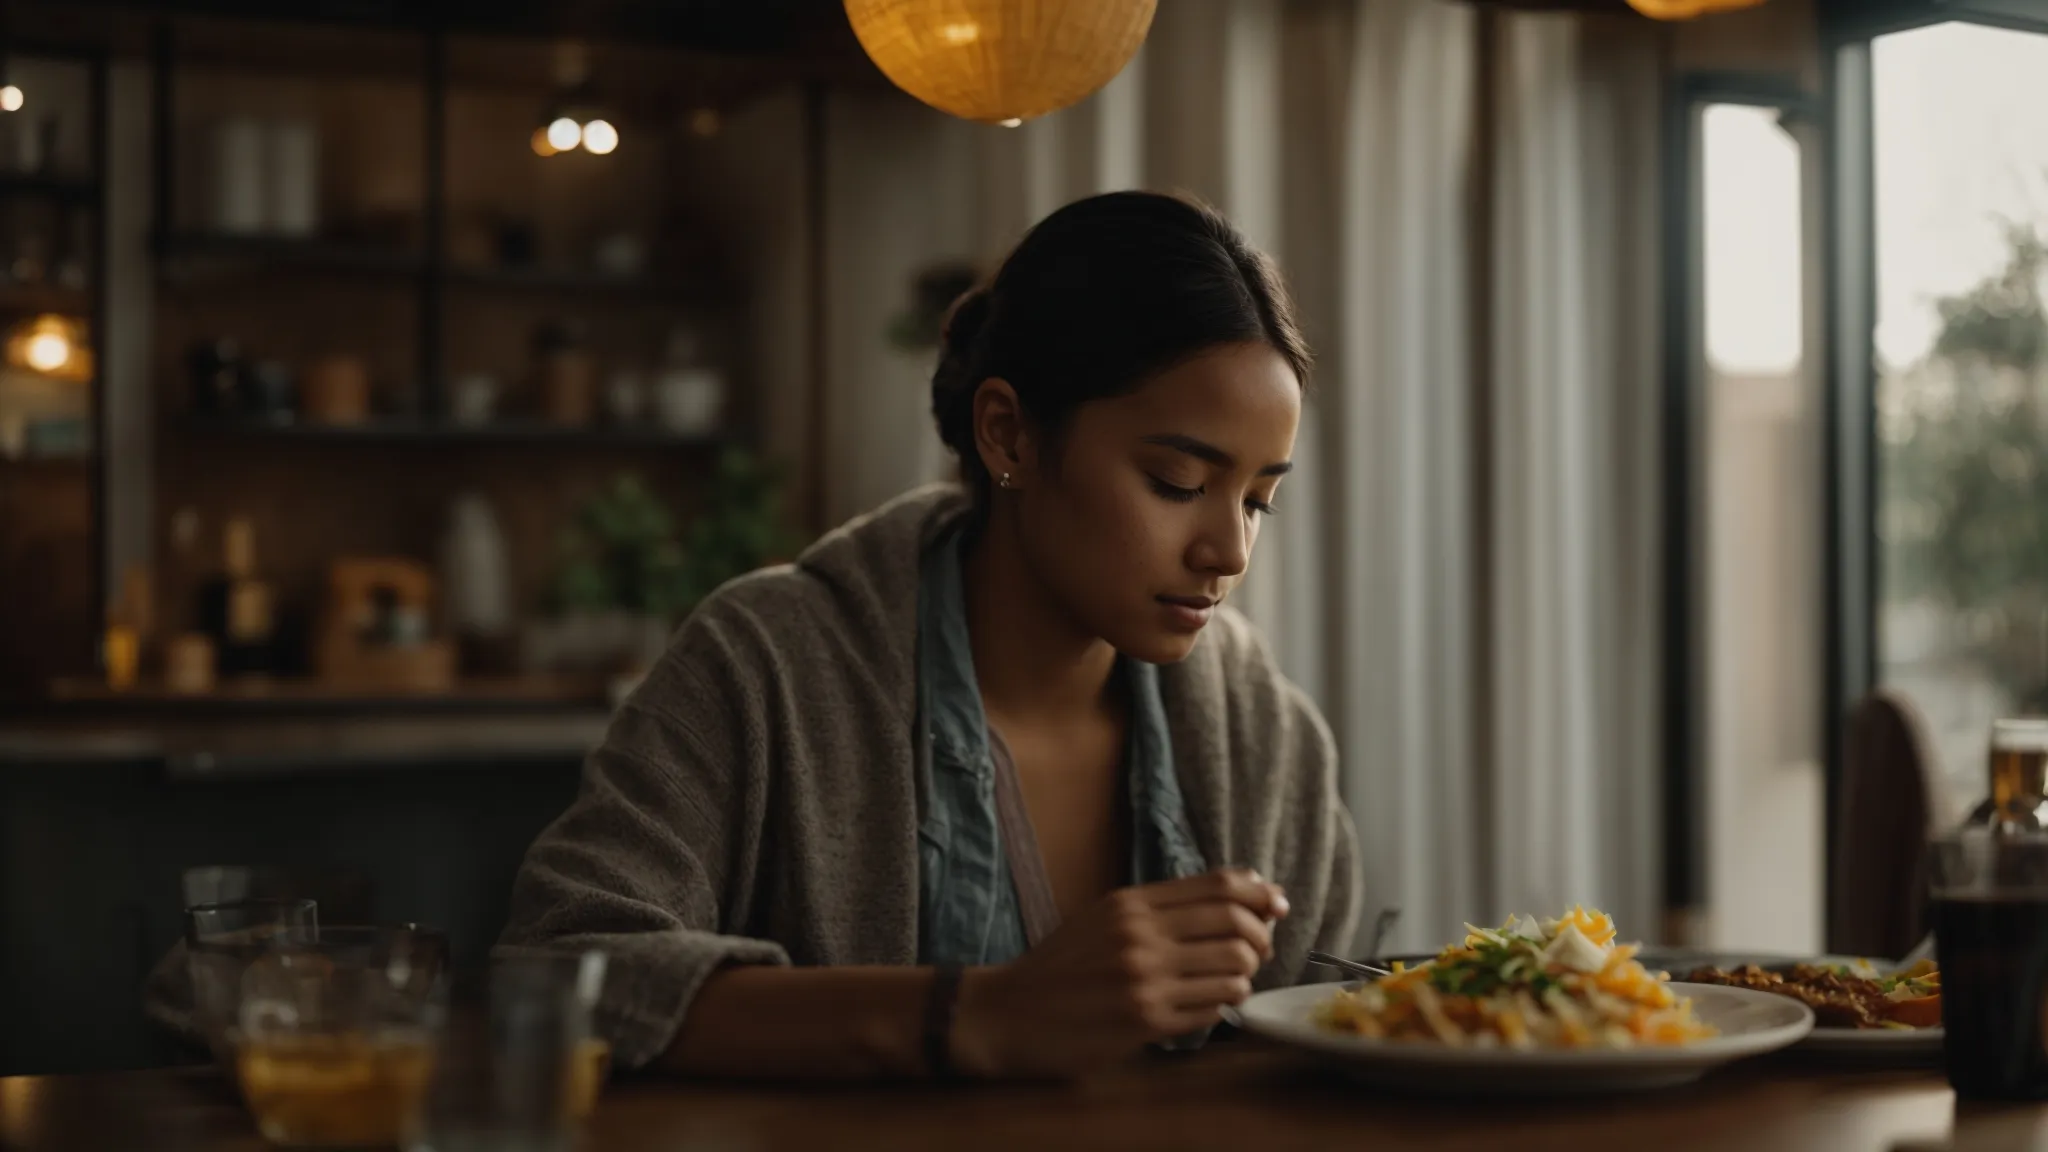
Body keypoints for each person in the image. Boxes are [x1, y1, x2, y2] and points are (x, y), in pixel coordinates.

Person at [499, 190, 1360, 1081]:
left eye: (1259, 499)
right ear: (1008, 433)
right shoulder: (764, 665)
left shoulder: (1263, 730)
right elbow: (559, 969)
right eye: (1178, 482)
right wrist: (975, 1016)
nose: (1229, 550)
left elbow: (1334, 1018)